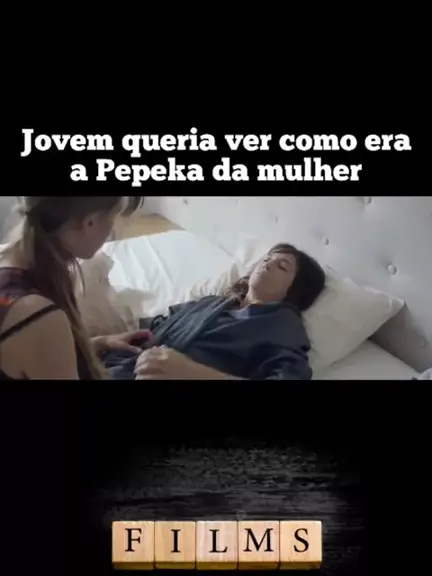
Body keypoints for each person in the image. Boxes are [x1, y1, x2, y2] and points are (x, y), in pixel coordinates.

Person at [104, 243, 326, 380]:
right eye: (266, 258)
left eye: (282, 266)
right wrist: (114, 341)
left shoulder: (284, 327)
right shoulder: (213, 303)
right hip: (123, 366)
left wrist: (190, 373)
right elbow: (160, 323)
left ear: (295, 289)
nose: (266, 264)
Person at [0, 196, 151, 380]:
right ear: (90, 223)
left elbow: (35, 354)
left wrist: (97, 343)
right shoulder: (37, 315)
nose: (112, 230)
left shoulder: (12, 264)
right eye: (113, 217)